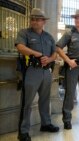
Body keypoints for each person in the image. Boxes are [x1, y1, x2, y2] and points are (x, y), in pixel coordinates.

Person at [15, 8, 59, 141]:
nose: (34, 21)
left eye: (37, 19)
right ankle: (23, 131)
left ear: (43, 21)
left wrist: (50, 59)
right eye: (32, 19)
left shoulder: (49, 37)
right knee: (26, 102)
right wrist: (37, 54)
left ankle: (45, 124)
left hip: (46, 72)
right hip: (31, 71)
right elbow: (20, 47)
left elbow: (55, 53)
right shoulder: (24, 33)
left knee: (45, 100)